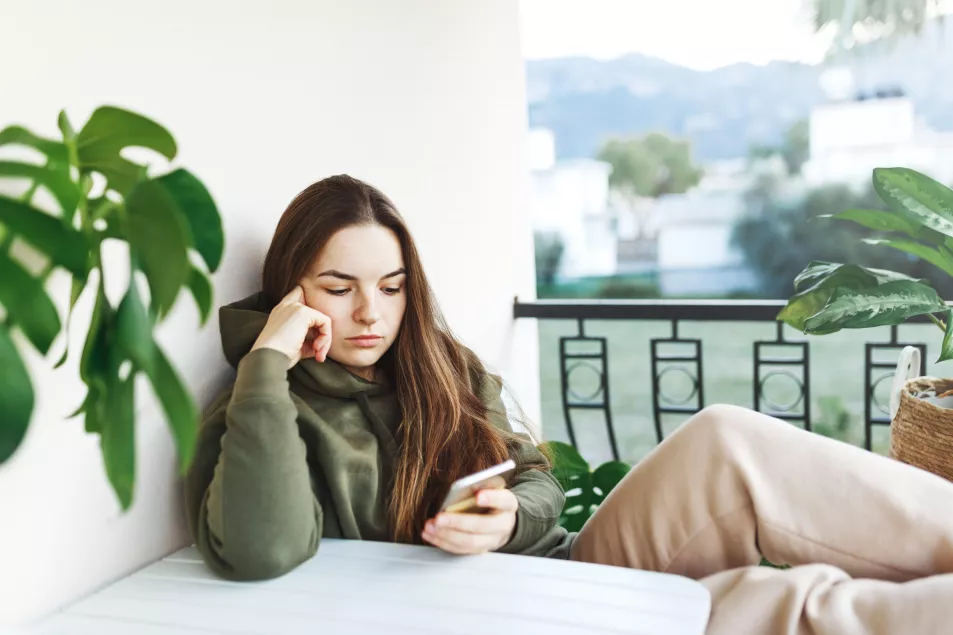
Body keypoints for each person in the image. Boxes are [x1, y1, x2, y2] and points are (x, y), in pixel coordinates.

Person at [186, 174, 953, 635]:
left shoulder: (436, 366)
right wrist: (266, 363)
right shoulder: (263, 409)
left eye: (390, 287)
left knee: (724, 437)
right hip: (509, 618)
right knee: (776, 602)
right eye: (337, 286)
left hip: (560, 572)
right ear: (291, 286)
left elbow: (538, 482)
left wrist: (506, 517)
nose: (371, 315)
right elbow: (262, 548)